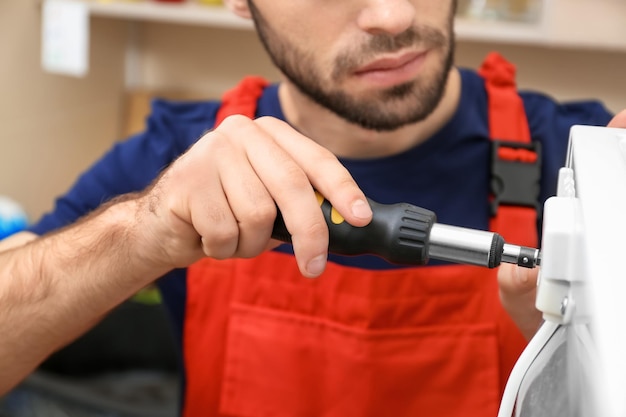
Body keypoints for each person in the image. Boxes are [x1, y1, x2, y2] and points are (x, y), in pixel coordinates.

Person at [1, 0, 623, 414]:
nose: (393, 13)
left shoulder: (589, 166)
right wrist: (139, 230)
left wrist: (572, 360)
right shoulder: (171, 159)